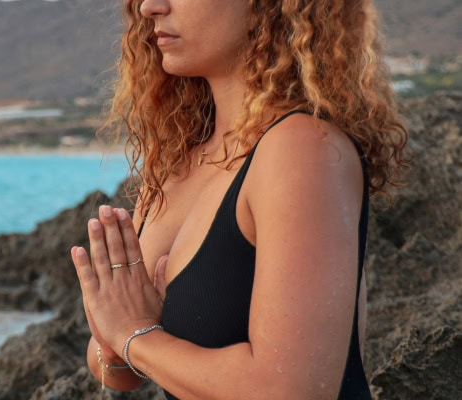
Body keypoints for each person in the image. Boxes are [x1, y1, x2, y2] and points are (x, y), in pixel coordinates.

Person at [70, 0, 408, 398]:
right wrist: (116, 333)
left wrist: (134, 337)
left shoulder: (302, 149)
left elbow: (289, 391)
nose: (148, 7)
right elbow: (118, 368)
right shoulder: (179, 159)